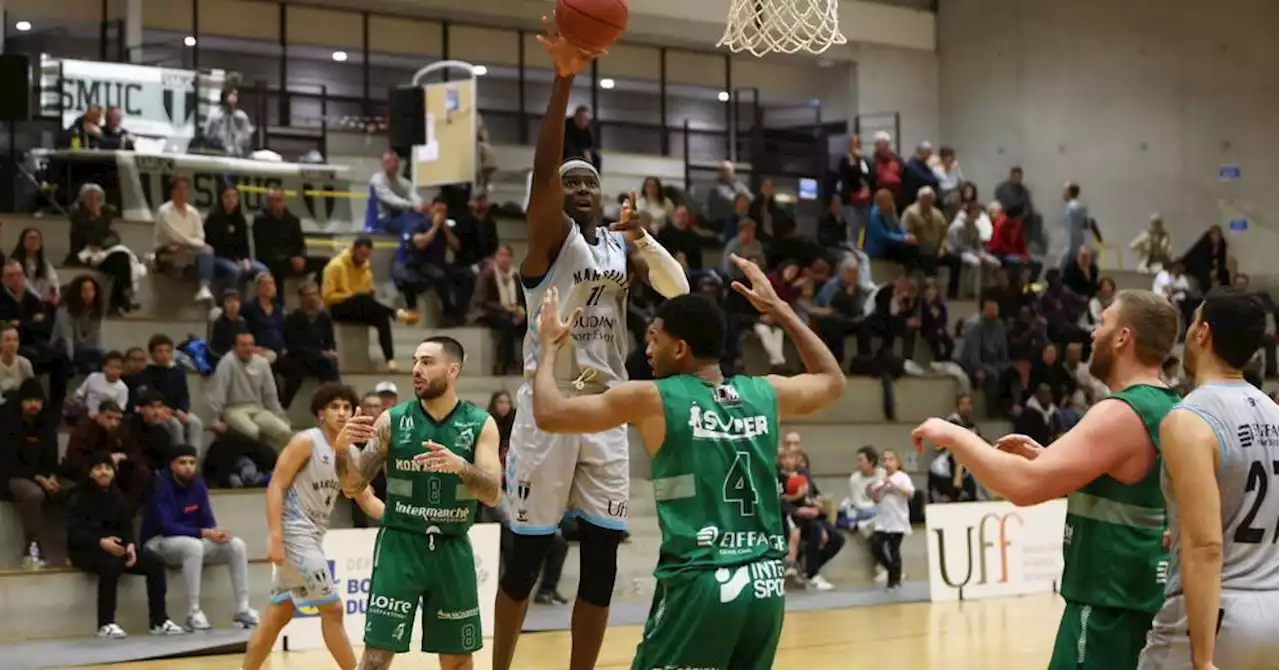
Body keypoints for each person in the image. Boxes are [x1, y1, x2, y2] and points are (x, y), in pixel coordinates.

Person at [527, 253, 845, 669]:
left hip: (702, 582)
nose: (647, 346)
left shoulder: (651, 398)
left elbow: (549, 414)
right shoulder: (764, 392)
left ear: (680, 348)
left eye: (654, 337)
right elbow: (832, 380)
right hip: (765, 584)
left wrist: (547, 349)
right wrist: (780, 309)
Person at [493, 19, 690, 670]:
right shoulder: (552, 241)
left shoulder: (615, 244)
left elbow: (678, 288)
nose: (579, 189)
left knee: (602, 560)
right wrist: (563, 78)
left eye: (590, 183)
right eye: (571, 182)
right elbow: (546, 172)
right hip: (549, 409)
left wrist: (643, 239)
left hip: (605, 410)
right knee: (525, 556)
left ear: (603, 196)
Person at [911, 288, 1183, 669]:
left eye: (1103, 322)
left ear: (1123, 337)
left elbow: (1025, 486)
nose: (1092, 332)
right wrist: (1053, 459)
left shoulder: (1121, 412)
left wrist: (956, 436)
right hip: (1146, 606)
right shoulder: (1172, 405)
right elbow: (1129, 479)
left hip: (1106, 609)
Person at [336, 337, 503, 670]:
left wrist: (461, 467)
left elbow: (492, 493)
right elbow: (352, 486)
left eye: (427, 362)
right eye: (415, 361)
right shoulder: (391, 421)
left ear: (452, 369)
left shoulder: (479, 423)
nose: (416, 369)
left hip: (452, 548)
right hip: (400, 545)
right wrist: (341, 449)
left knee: (457, 659)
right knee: (375, 656)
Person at [1138, 288, 1280, 670]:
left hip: (1216, 612)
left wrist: (1202, 659)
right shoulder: (1275, 413)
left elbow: (1206, 546)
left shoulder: (1190, 418)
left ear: (1203, 333)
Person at [239, 384, 384, 670]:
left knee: (278, 615)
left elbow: (365, 498)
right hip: (295, 533)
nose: (341, 413)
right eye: (334, 407)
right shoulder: (306, 442)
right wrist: (276, 536)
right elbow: (276, 485)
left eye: (346, 407)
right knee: (333, 608)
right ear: (321, 414)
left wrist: (401, 517)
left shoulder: (351, 454)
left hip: (313, 537)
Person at [66, 452, 185, 638]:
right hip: (86, 550)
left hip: (118, 548)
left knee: (154, 563)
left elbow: (126, 526)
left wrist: (130, 545)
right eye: (98, 468)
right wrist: (100, 542)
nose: (103, 472)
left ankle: (159, 621)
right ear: (90, 473)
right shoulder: (79, 496)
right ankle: (105, 624)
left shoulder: (117, 495)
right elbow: (74, 532)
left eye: (107, 468)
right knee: (109, 564)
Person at [142, 444, 258, 631]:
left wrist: (216, 534)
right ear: (172, 465)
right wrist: (204, 533)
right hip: (158, 543)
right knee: (193, 546)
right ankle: (193, 612)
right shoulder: (161, 485)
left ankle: (243, 608)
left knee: (236, 545)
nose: (188, 467)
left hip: (191, 540)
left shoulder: (198, 484)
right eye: (182, 462)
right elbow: (167, 527)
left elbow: (207, 520)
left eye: (192, 462)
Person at [322, 237, 418, 372]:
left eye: (366, 255)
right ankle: (395, 313)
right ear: (353, 250)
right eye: (361, 254)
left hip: (359, 307)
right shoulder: (335, 266)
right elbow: (327, 297)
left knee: (382, 318)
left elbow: (367, 296)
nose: (363, 258)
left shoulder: (366, 271)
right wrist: (352, 296)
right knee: (362, 297)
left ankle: (389, 360)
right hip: (337, 308)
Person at [0, 379, 64, 568]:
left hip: (40, 476)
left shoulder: (46, 423)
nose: (34, 405)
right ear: (21, 401)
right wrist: (39, 478)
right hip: (9, 476)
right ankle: (32, 548)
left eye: (37, 400)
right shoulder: (6, 421)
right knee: (33, 494)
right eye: (29, 400)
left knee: (70, 490)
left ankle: (74, 549)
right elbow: (7, 462)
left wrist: (52, 476)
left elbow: (51, 457)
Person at [208, 331, 292, 450]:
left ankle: (275, 464)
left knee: (284, 431)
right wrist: (214, 419)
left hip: (257, 408)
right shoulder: (227, 363)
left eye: (251, 344)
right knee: (252, 431)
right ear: (234, 347)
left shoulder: (262, 363)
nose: (248, 348)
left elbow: (270, 394)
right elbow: (218, 392)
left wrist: (280, 416)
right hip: (233, 409)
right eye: (243, 345)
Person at [867, 449, 915, 590]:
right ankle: (892, 571)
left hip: (898, 519)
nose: (887, 463)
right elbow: (876, 500)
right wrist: (880, 486)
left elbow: (910, 493)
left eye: (891, 459)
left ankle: (894, 581)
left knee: (894, 549)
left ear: (898, 462)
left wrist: (895, 486)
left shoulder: (902, 477)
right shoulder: (880, 479)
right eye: (885, 460)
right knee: (877, 547)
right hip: (883, 520)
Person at [54, 275, 106, 374]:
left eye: (92, 290)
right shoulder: (64, 310)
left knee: (101, 356)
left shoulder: (95, 311)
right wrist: (70, 360)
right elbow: (67, 338)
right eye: (85, 290)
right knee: (90, 362)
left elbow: (96, 337)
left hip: (85, 347)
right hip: (64, 346)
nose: (89, 294)